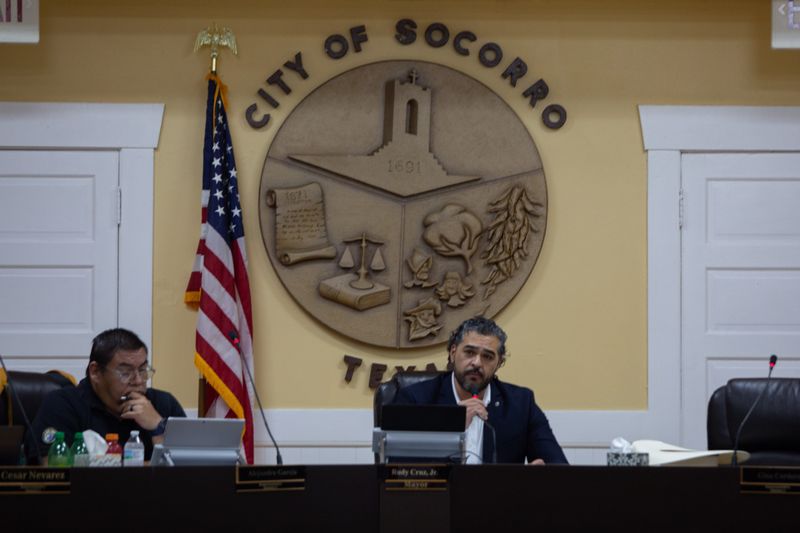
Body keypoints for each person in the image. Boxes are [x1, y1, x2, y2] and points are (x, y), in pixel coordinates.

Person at [393, 316, 568, 465]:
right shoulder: (416, 398)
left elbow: (558, 465)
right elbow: (397, 465)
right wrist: (452, 424)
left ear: (498, 363)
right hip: (437, 501)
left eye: (487, 356)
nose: (477, 363)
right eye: (469, 352)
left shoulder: (521, 404)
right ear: (453, 353)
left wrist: (541, 476)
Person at [27, 328, 185, 464]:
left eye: (143, 370)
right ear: (95, 372)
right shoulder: (62, 404)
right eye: (125, 372)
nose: (138, 381)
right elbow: (53, 471)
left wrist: (158, 427)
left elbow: (187, 471)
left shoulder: (163, 403)